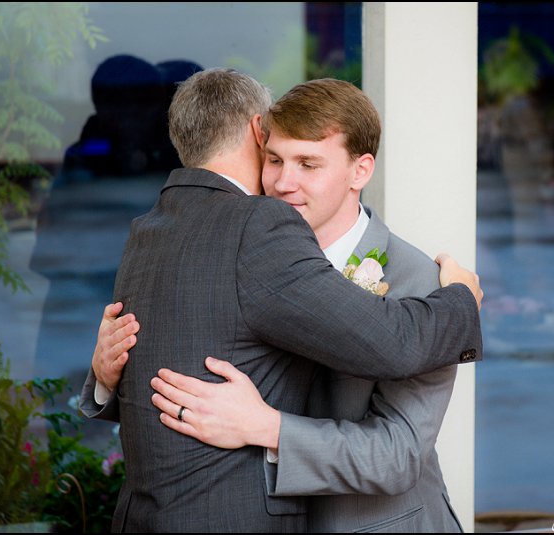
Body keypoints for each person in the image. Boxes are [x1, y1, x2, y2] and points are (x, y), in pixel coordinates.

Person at [79, 68, 483, 532]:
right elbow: (190, 365)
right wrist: (109, 374)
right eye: (274, 161)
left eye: (309, 165)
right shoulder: (241, 245)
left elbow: (397, 455)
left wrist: (266, 427)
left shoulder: (422, 284)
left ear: (361, 170)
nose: (285, 183)